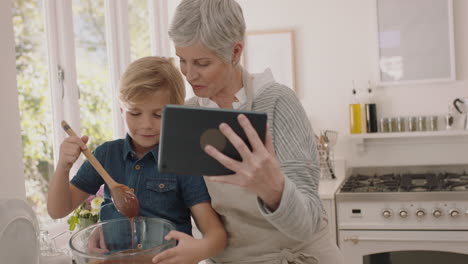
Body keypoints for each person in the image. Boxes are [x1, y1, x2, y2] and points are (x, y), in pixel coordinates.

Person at [155, 0, 345, 263]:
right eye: (182, 60)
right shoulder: (186, 117)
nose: (189, 74)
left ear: (235, 52)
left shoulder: (278, 102)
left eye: (202, 63)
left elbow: (308, 222)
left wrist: (273, 190)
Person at [47, 56, 227, 263]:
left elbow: (217, 237)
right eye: (135, 113)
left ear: (177, 113)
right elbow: (57, 209)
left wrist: (197, 250)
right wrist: (63, 166)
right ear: (122, 110)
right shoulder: (106, 155)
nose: (146, 124)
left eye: (158, 115)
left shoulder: (182, 162)